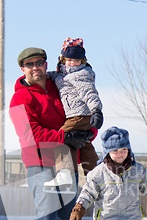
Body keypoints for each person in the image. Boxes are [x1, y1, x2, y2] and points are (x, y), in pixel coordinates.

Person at [9, 47, 93, 220]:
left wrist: (85, 134)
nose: (36, 67)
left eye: (39, 62)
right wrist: (64, 137)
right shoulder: (19, 98)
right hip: (40, 163)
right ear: (22, 69)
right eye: (29, 64)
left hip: (66, 160)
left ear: (47, 64)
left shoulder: (61, 86)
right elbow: (28, 135)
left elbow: (81, 114)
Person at [43, 37, 103, 188]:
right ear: (63, 59)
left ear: (82, 60)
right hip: (79, 115)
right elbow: (53, 76)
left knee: (60, 137)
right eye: (69, 60)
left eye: (76, 60)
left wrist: (96, 110)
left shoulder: (81, 74)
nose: (72, 63)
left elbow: (90, 93)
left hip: (79, 114)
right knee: (84, 144)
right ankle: (95, 175)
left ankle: (65, 173)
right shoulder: (62, 74)